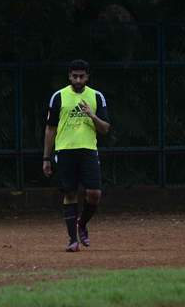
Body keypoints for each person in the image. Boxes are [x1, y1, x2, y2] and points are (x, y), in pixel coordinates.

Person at [43, 59, 110, 252]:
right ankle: (73, 240)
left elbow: (105, 128)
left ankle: (82, 224)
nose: (78, 80)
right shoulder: (59, 96)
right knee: (70, 193)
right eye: (74, 76)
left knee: (94, 194)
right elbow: (50, 129)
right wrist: (46, 158)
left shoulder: (96, 97)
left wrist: (92, 115)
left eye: (82, 76)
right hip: (65, 151)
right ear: (69, 76)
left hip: (88, 150)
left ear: (87, 77)